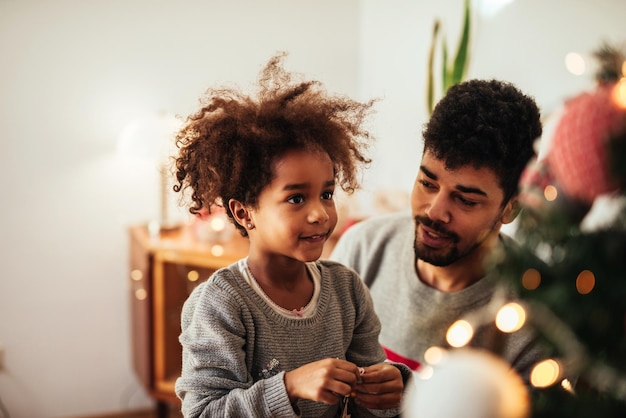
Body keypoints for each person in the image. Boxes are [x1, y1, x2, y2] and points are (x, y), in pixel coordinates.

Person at [172, 53, 411, 418]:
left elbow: (372, 408)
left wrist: (389, 390)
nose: (319, 213)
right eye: (296, 198)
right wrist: (290, 386)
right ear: (244, 212)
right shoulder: (221, 305)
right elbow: (205, 412)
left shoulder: (347, 291)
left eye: (327, 194)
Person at [330, 79, 545, 383]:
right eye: (427, 184)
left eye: (465, 200)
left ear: (511, 207)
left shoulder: (541, 312)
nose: (434, 211)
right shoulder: (362, 249)